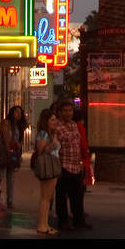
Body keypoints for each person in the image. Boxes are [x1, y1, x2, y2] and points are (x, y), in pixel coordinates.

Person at [53, 99, 89, 230]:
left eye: (70, 110)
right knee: (61, 196)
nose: (68, 113)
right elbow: (63, 140)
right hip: (63, 165)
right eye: (65, 111)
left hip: (76, 165)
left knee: (77, 196)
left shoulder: (74, 125)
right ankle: (63, 222)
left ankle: (79, 221)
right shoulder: (57, 126)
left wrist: (81, 163)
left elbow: (77, 142)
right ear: (60, 112)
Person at [32, 108, 59, 235]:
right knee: (45, 197)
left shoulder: (50, 133)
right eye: (52, 120)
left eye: (55, 119)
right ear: (46, 121)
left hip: (52, 165)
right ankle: (42, 225)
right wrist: (53, 144)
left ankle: (45, 224)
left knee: (48, 197)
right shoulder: (43, 134)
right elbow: (41, 150)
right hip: (47, 165)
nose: (55, 122)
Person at [0, 105, 27, 209]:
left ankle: (9, 201)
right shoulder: (6, 123)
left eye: (20, 113)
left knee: (11, 177)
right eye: (16, 112)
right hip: (3, 152)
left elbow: (19, 143)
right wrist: (9, 151)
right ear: (11, 113)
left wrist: (18, 155)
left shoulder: (19, 126)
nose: (18, 114)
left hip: (12, 153)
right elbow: (6, 139)